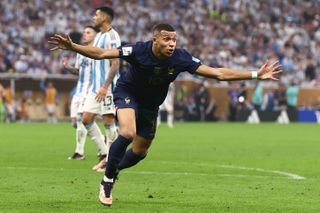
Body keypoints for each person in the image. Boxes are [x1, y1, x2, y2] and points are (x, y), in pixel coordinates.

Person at [49, 23, 282, 206]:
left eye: (174, 40)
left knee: (140, 152)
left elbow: (217, 74)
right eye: (167, 39)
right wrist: (74, 47)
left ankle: (115, 167)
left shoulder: (180, 57)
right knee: (127, 133)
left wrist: (254, 74)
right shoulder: (138, 50)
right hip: (127, 93)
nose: (172, 43)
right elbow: (102, 53)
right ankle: (107, 181)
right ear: (155, 40)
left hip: (151, 105)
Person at [70, 7, 121, 172]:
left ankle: (110, 160)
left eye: (97, 14)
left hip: (108, 87)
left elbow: (115, 63)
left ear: (105, 17)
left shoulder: (112, 36)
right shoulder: (98, 36)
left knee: (108, 121)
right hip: (94, 87)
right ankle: (105, 152)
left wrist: (106, 86)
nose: (94, 17)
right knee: (86, 119)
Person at [62, 26, 99, 161]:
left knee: (81, 120)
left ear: (96, 35)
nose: (85, 34)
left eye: (88, 32)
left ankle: (80, 152)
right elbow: (78, 71)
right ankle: (104, 141)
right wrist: (68, 68)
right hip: (79, 90)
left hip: (90, 90)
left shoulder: (98, 51)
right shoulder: (80, 52)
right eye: (84, 32)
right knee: (75, 122)